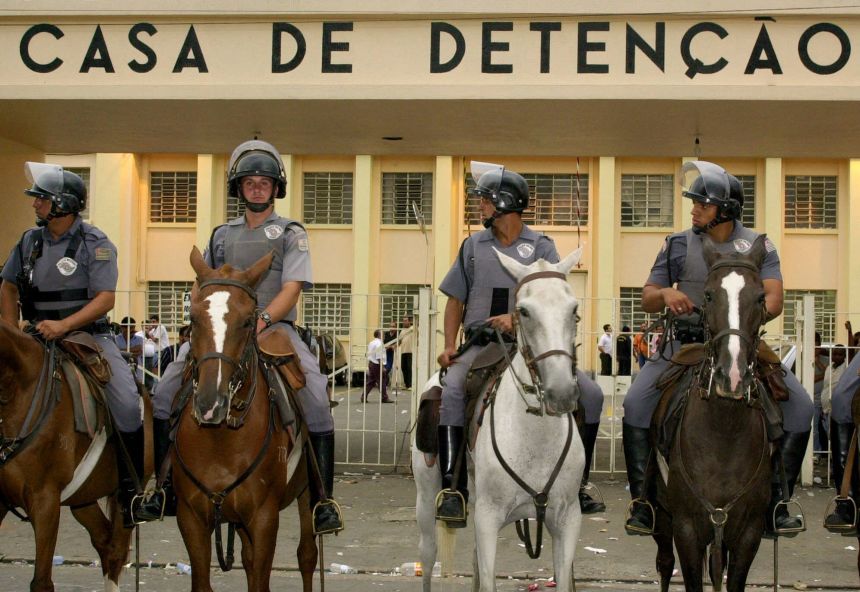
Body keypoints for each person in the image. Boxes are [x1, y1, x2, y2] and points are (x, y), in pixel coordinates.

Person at [144, 140, 342, 533]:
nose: (256, 188)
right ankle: (163, 486)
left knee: (316, 396)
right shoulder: (221, 234)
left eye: (263, 182)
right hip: (223, 328)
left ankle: (323, 500)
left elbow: (292, 286)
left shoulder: (290, 232)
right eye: (249, 182)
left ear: (275, 188)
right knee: (165, 390)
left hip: (275, 326)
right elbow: (208, 284)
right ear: (239, 187)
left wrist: (265, 318)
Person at [621, 160, 813, 538]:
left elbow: (774, 298)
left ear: (724, 210)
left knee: (802, 407)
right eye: (694, 204)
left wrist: (743, 318)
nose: (693, 210)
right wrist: (665, 293)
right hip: (685, 343)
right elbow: (647, 297)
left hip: (741, 341)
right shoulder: (677, 243)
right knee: (635, 403)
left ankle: (778, 500)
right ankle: (643, 501)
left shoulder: (759, 244)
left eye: (701, 204)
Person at [435, 162, 605, 526]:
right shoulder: (472, 247)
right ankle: (453, 488)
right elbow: (455, 301)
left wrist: (514, 319)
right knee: (451, 388)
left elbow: (549, 294)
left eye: (484, 200)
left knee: (590, 395)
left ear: (504, 202)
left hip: (531, 345)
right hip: (482, 345)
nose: (479, 206)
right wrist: (450, 344)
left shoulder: (541, 245)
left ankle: (581, 483)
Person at [0, 162, 156, 527]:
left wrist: (64, 325)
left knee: (126, 402)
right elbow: (7, 286)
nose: (35, 205)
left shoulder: (95, 243)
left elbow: (104, 299)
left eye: (41, 199)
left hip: (88, 335)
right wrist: (10, 332)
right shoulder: (28, 242)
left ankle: (131, 489)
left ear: (64, 204)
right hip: (35, 335)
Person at [363, 329, 391, 403]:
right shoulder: (379, 343)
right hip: (377, 364)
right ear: (379, 335)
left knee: (371, 382)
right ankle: (384, 398)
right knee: (382, 381)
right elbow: (379, 356)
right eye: (383, 334)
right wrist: (382, 367)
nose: (384, 336)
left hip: (371, 363)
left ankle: (363, 396)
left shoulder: (372, 342)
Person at [399, 316, 414, 389]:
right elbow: (399, 341)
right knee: (403, 367)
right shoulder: (402, 331)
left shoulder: (413, 328)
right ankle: (406, 384)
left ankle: (410, 384)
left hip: (410, 351)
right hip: (403, 352)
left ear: (409, 321)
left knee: (409, 368)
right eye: (403, 321)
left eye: (405, 321)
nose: (404, 322)